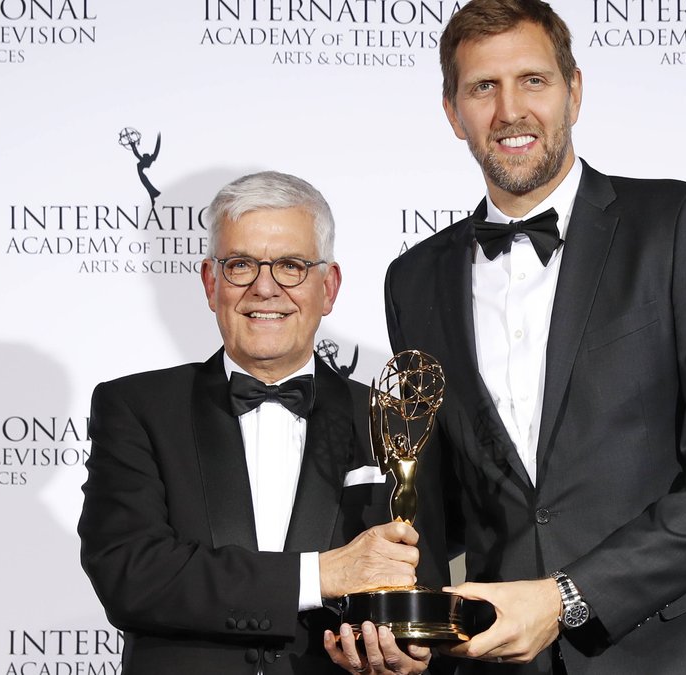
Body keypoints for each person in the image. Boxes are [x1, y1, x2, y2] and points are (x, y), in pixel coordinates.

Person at [379, 1, 686, 672]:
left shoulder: (681, 223)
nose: (510, 110)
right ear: (453, 112)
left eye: (533, 80)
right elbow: (435, 497)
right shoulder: (413, 278)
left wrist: (570, 596)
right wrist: (404, 628)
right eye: (484, 87)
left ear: (575, 90)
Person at [79, 171, 447, 675]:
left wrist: (412, 660)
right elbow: (130, 575)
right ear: (211, 284)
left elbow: (422, 596)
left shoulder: (394, 419)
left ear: (329, 287)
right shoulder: (136, 408)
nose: (265, 288)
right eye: (240, 266)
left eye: (291, 266)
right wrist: (320, 574)